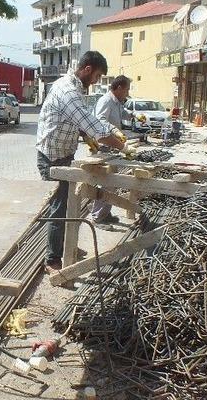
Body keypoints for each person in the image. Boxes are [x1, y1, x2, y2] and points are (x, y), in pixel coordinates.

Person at [36, 51, 126, 273]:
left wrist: (85, 135)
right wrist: (123, 146)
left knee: (67, 205)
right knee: (59, 209)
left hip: (62, 154)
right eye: (96, 76)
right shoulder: (68, 91)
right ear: (87, 69)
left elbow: (80, 121)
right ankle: (52, 260)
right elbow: (94, 127)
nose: (96, 82)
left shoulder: (74, 87)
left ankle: (64, 246)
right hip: (51, 158)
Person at [90, 76, 131, 225]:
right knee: (105, 182)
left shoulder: (117, 102)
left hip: (113, 146)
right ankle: (98, 217)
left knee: (111, 182)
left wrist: (133, 116)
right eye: (126, 89)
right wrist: (115, 130)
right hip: (104, 145)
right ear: (119, 88)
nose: (127, 93)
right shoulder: (106, 100)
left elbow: (122, 113)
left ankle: (104, 213)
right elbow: (100, 120)